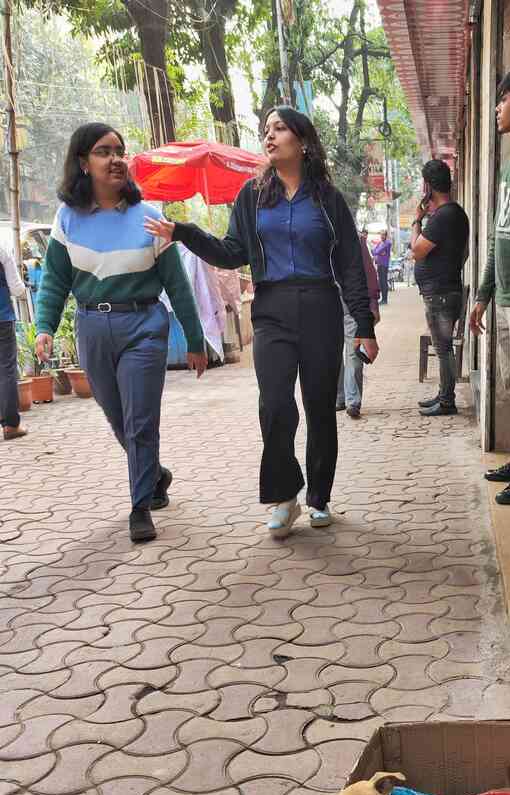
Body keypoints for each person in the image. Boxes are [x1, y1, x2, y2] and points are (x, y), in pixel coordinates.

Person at [145, 107, 378, 539]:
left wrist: (364, 323)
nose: (269, 137)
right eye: (266, 130)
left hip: (322, 307)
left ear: (303, 141)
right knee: (274, 404)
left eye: (279, 129)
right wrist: (184, 232)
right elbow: (231, 252)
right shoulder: (252, 196)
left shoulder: (327, 197)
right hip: (272, 309)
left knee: (320, 408)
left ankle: (319, 498)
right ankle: (284, 496)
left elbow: (348, 263)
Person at [35, 123, 207, 541]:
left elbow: (177, 284)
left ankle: (139, 507)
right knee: (118, 418)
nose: (115, 159)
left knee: (140, 420)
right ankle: (154, 475)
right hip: (92, 326)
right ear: (83, 162)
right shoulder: (67, 219)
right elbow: (55, 280)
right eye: (103, 151)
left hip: (144, 326)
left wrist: (196, 340)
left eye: (119, 151)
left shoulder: (149, 217)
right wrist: (44, 327)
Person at [470, 61, 510, 505]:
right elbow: (498, 235)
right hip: (506, 296)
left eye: (503, 99)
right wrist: (482, 296)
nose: (496, 108)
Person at [411, 160, 470, 417]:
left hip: (440, 295)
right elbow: (464, 254)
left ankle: (447, 401)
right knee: (443, 347)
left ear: (428, 187)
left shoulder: (443, 216)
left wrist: (417, 221)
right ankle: (443, 394)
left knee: (443, 348)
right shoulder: (457, 214)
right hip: (446, 291)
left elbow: (417, 250)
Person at [336, 227, 379, 419]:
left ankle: (353, 401)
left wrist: (372, 304)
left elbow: (369, 273)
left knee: (354, 352)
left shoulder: (355, 239)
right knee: (331, 351)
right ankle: (339, 397)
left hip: (353, 303)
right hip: (325, 303)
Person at [1, 240, 28, 442]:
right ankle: (11, 425)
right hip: (2, 318)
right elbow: (17, 289)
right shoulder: (1, 248)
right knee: (6, 369)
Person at [372, 229, 392, 305]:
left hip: (384, 265)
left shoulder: (387, 243)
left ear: (386, 235)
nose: (382, 236)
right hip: (379, 264)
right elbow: (374, 251)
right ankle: (382, 299)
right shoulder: (380, 243)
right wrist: (379, 253)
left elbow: (377, 251)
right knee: (380, 281)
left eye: (383, 235)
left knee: (384, 282)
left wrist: (378, 253)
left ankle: (385, 299)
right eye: (381, 234)